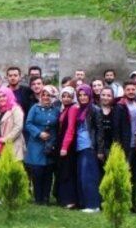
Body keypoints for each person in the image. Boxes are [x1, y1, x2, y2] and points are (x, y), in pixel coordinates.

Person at [62, 84, 101, 212]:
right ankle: (85, 203)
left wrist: (99, 149)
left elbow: (99, 131)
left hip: (89, 147)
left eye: (85, 95)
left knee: (89, 177)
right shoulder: (79, 110)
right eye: (80, 95)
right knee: (81, 176)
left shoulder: (94, 109)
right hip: (79, 147)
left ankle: (93, 205)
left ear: (89, 95)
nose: (83, 97)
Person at [24, 85, 58, 204]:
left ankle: (46, 198)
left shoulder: (56, 109)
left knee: (48, 172)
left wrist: (53, 140)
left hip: (50, 143)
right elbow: (28, 124)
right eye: (43, 95)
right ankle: (37, 198)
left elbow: (57, 126)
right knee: (37, 171)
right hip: (36, 143)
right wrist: (38, 133)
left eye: (48, 95)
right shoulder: (35, 108)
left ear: (53, 96)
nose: (45, 97)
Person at [117, 79, 136, 213]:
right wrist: (119, 146)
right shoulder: (119, 106)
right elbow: (116, 129)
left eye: (133, 89)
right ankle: (123, 202)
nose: (131, 91)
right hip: (126, 145)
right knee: (124, 175)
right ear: (124, 90)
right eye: (128, 89)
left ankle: (133, 203)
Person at [55, 86, 78, 208]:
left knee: (67, 171)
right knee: (63, 171)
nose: (66, 98)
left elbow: (70, 129)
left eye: (69, 96)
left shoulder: (73, 109)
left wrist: (64, 147)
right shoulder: (64, 109)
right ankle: (63, 198)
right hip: (62, 143)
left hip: (68, 145)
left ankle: (70, 200)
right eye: (63, 96)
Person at [95, 87, 129, 163]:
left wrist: (123, 149)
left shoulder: (118, 110)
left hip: (114, 146)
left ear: (113, 97)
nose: (105, 97)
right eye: (103, 95)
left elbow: (124, 131)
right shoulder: (95, 110)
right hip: (98, 148)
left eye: (108, 95)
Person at [0, 86, 25, 161]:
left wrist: (6, 139)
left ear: (9, 95)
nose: (1, 98)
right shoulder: (1, 110)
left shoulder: (16, 109)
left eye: (4, 96)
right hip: (3, 146)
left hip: (14, 145)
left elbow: (18, 127)